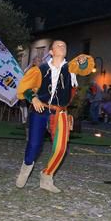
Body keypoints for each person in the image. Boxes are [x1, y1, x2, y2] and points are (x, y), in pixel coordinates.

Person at [14, 41, 94, 193]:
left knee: (61, 148)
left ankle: (47, 176)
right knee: (34, 145)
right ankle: (26, 167)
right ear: (51, 51)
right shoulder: (40, 69)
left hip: (60, 112)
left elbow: (84, 68)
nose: (62, 47)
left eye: (64, 45)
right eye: (58, 45)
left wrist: (83, 61)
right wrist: (34, 98)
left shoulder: (71, 68)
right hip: (40, 110)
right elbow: (25, 88)